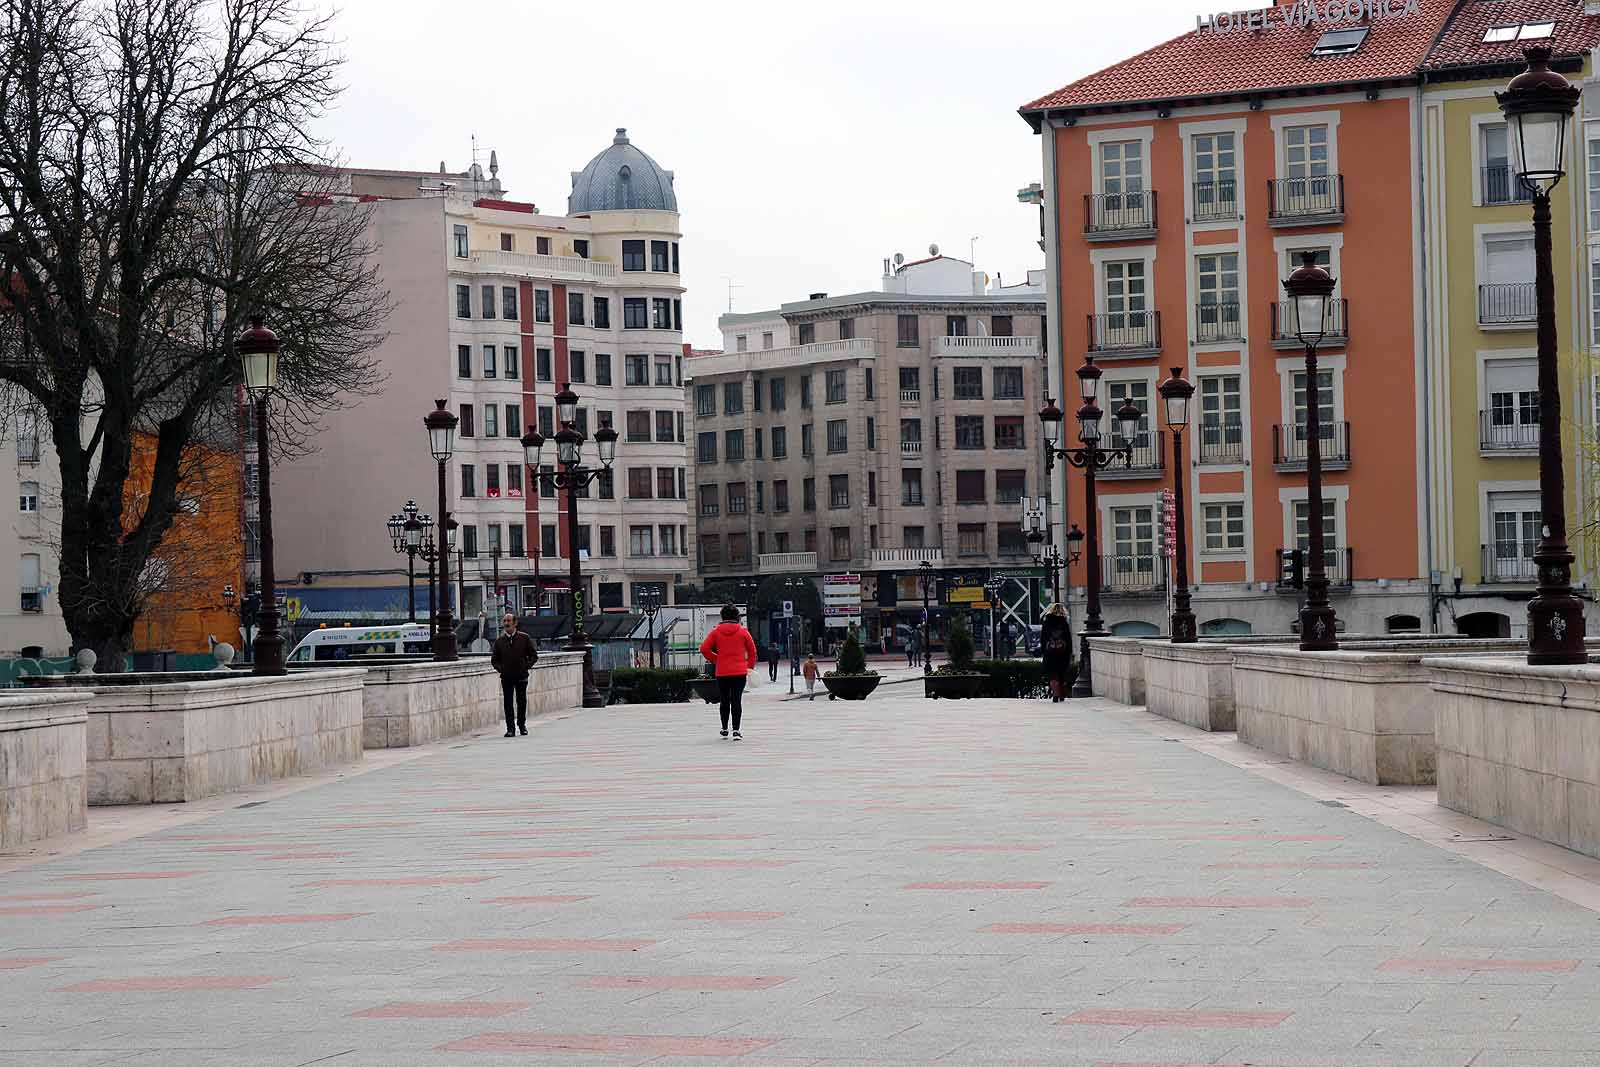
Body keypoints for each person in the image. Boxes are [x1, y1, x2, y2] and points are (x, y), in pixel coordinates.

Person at [700, 604, 757, 740]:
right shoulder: (743, 632)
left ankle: (724, 728)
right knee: (736, 700)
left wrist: (717, 659)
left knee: (724, 700)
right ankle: (736, 730)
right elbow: (752, 651)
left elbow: (704, 649)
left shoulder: (716, 632)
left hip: (722, 672)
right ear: (737, 616)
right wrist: (749, 667)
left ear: (722, 616)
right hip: (739, 672)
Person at [491, 612, 537, 736]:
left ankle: (522, 725)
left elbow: (534, 655)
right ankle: (510, 728)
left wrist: (526, 666)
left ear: (515, 623)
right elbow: (494, 660)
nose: (506, 623)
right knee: (508, 703)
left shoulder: (524, 638)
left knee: (521, 702)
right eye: (504, 621)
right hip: (506, 677)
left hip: (521, 675)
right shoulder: (499, 641)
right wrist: (502, 669)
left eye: (509, 621)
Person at [1040, 603, 1072, 703]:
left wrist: (1044, 651)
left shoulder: (1046, 623)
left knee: (1053, 674)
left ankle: (1055, 694)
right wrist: (1069, 652)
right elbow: (1068, 639)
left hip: (1050, 652)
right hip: (1063, 653)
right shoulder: (1064, 623)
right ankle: (1061, 694)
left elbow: (1043, 639)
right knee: (1061, 674)